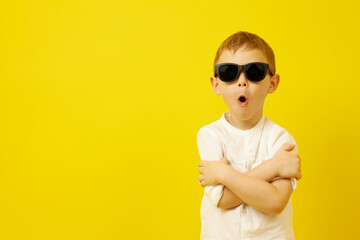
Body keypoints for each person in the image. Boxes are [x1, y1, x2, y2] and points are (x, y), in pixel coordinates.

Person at [196, 31, 302, 240]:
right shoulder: (209, 135)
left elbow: (275, 202)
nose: (242, 81)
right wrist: (273, 167)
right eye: (229, 72)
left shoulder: (282, 140)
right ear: (216, 84)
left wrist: (223, 174)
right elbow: (223, 199)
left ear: (272, 83)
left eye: (254, 72)